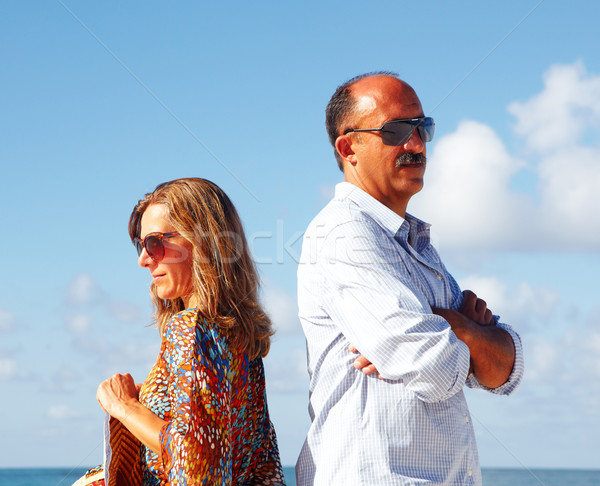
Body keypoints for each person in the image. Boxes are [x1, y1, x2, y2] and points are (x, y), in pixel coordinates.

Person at [295, 73, 524, 485]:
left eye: (422, 127)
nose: (416, 144)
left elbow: (507, 371)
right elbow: (433, 368)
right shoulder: (344, 233)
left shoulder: (418, 247)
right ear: (349, 148)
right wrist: (465, 337)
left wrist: (458, 330)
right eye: (396, 130)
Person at [88, 178, 284, 485]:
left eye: (155, 242)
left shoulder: (190, 328)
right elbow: (263, 462)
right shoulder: (240, 341)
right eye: (141, 245)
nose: (143, 259)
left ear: (203, 241)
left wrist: (123, 406)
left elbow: (197, 458)